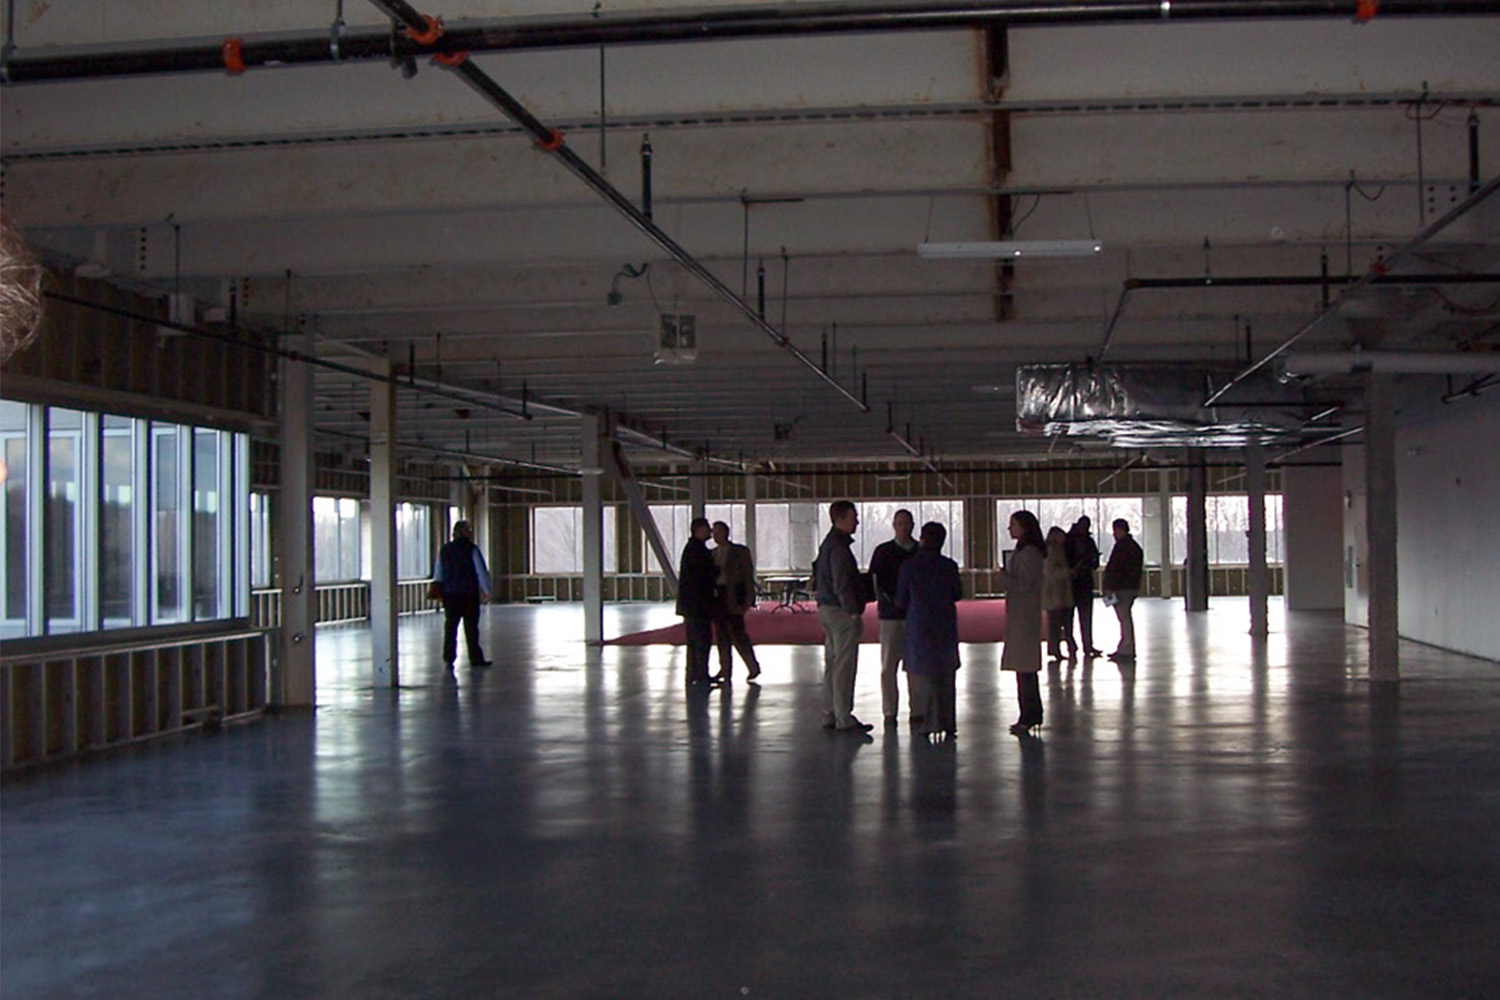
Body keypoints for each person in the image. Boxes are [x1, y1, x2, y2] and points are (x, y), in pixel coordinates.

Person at [895, 521, 963, 741]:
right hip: (944, 625)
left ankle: (924, 720)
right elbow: (957, 594)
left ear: (922, 539)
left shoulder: (909, 566)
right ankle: (947, 721)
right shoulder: (949, 566)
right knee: (945, 674)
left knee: (921, 675)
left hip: (919, 625)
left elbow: (901, 599)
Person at [814, 500, 872, 733]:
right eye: (853, 516)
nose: (856, 520)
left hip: (826, 609)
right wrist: (852, 611)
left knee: (832, 663)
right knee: (844, 666)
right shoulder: (839, 547)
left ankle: (830, 712)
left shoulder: (829, 544)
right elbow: (842, 583)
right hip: (839, 611)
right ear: (840, 519)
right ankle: (844, 717)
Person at [868, 508, 919, 728]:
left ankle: (918, 708)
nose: (904, 527)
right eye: (900, 523)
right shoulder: (883, 552)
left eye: (907, 523)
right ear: (894, 526)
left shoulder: (920, 551)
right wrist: (892, 601)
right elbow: (876, 581)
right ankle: (889, 710)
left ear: (913, 526)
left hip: (914, 617)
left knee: (915, 666)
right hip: (890, 616)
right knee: (889, 666)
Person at [1000, 510, 1046, 734]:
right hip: (1022, 615)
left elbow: (1024, 585)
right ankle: (1029, 714)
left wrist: (1004, 578)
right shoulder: (1028, 552)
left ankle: (1029, 715)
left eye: (1013, 525)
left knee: (1025, 669)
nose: (1010, 529)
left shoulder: (1029, 554)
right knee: (1025, 670)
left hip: (1023, 617)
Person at [432, 519, 492, 671]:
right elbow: (480, 571)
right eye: (469, 530)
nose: (471, 533)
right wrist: (487, 591)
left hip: (450, 594)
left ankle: (449, 656)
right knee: (471, 627)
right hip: (468, 594)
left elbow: (439, 572)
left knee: (450, 626)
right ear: (464, 532)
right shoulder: (472, 549)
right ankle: (475, 658)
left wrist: (437, 590)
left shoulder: (444, 550)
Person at [710, 520, 761, 683]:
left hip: (734, 595)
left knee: (738, 634)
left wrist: (748, 599)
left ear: (726, 533)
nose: (715, 535)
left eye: (718, 532)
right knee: (721, 635)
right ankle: (725, 668)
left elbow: (747, 576)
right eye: (713, 532)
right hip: (718, 597)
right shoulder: (711, 554)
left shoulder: (740, 552)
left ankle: (752, 665)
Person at [676, 517, 719, 686]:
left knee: (695, 641)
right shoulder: (698, 550)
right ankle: (701, 674)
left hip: (692, 605)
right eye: (707, 528)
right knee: (701, 640)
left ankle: (694, 673)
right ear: (699, 529)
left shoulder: (693, 548)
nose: (710, 531)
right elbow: (703, 575)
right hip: (697, 605)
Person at [1102, 518, 1144, 662]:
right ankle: (1125, 648)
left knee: (1124, 619)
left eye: (1115, 531)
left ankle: (1126, 649)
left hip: (1122, 588)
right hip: (1129, 587)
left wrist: (1109, 586)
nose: (1114, 534)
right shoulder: (1134, 547)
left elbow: (1116, 569)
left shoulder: (1122, 547)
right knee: (1125, 618)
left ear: (1121, 530)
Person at [1067, 515, 1102, 656]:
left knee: (1072, 618)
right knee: (1082, 617)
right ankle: (1083, 646)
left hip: (1076, 584)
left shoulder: (1070, 541)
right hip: (1080, 583)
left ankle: (1077, 646)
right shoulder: (1085, 541)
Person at [1042, 526, 1076, 661]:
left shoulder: (1054, 550)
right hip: (1056, 593)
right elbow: (1050, 572)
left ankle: (1058, 649)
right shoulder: (1053, 551)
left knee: (1057, 624)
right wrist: (1068, 572)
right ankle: (1058, 649)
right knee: (1057, 624)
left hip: (1057, 593)